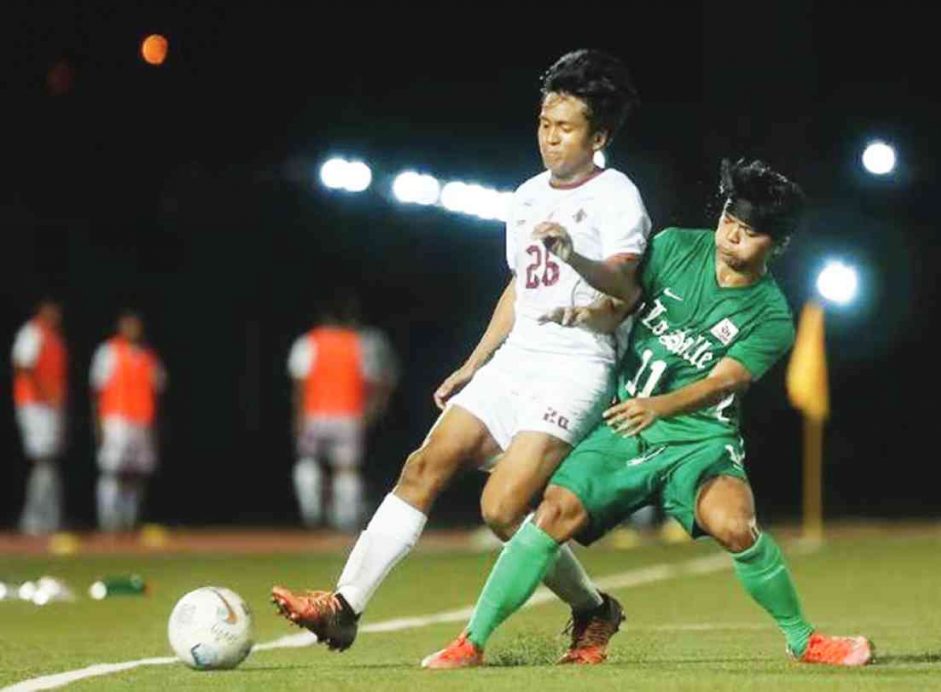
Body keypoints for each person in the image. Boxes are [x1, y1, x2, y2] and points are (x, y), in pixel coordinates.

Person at [271, 48, 650, 663]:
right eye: (544, 125)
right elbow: (519, 287)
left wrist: (575, 256)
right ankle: (345, 608)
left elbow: (625, 288)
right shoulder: (526, 197)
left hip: (577, 365)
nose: (550, 139)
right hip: (517, 359)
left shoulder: (617, 197)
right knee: (424, 465)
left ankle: (592, 609)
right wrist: (476, 361)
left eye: (566, 128)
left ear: (599, 135)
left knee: (502, 509)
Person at [422, 159, 873, 668]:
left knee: (735, 524)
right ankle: (473, 641)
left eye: (748, 234)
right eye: (729, 221)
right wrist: (590, 312)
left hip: (697, 438)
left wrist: (658, 406)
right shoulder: (676, 246)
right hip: (624, 427)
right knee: (551, 514)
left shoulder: (771, 316)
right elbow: (624, 299)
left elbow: (722, 382)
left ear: (777, 244)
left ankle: (803, 640)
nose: (731, 237)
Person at [288, 295, 398, 531]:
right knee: (347, 468)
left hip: (315, 413)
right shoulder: (358, 343)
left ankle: (312, 513)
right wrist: (371, 410)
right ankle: (344, 519)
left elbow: (300, 384)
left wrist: (298, 416)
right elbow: (374, 380)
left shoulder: (309, 342)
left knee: (308, 461)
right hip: (348, 414)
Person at [90, 310, 166, 531]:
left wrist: (155, 427)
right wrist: (99, 425)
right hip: (116, 419)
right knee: (112, 470)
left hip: (142, 421)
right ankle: (108, 522)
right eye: (128, 325)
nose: (133, 330)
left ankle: (129, 521)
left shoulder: (148, 356)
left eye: (136, 325)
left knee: (136, 473)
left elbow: (158, 392)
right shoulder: (108, 352)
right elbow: (96, 390)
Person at [11, 299, 68, 535]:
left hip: (50, 407)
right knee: (42, 459)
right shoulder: (31, 332)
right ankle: (33, 521)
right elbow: (22, 364)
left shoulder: (54, 338)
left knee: (49, 461)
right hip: (34, 404)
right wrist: (45, 394)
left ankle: (49, 520)